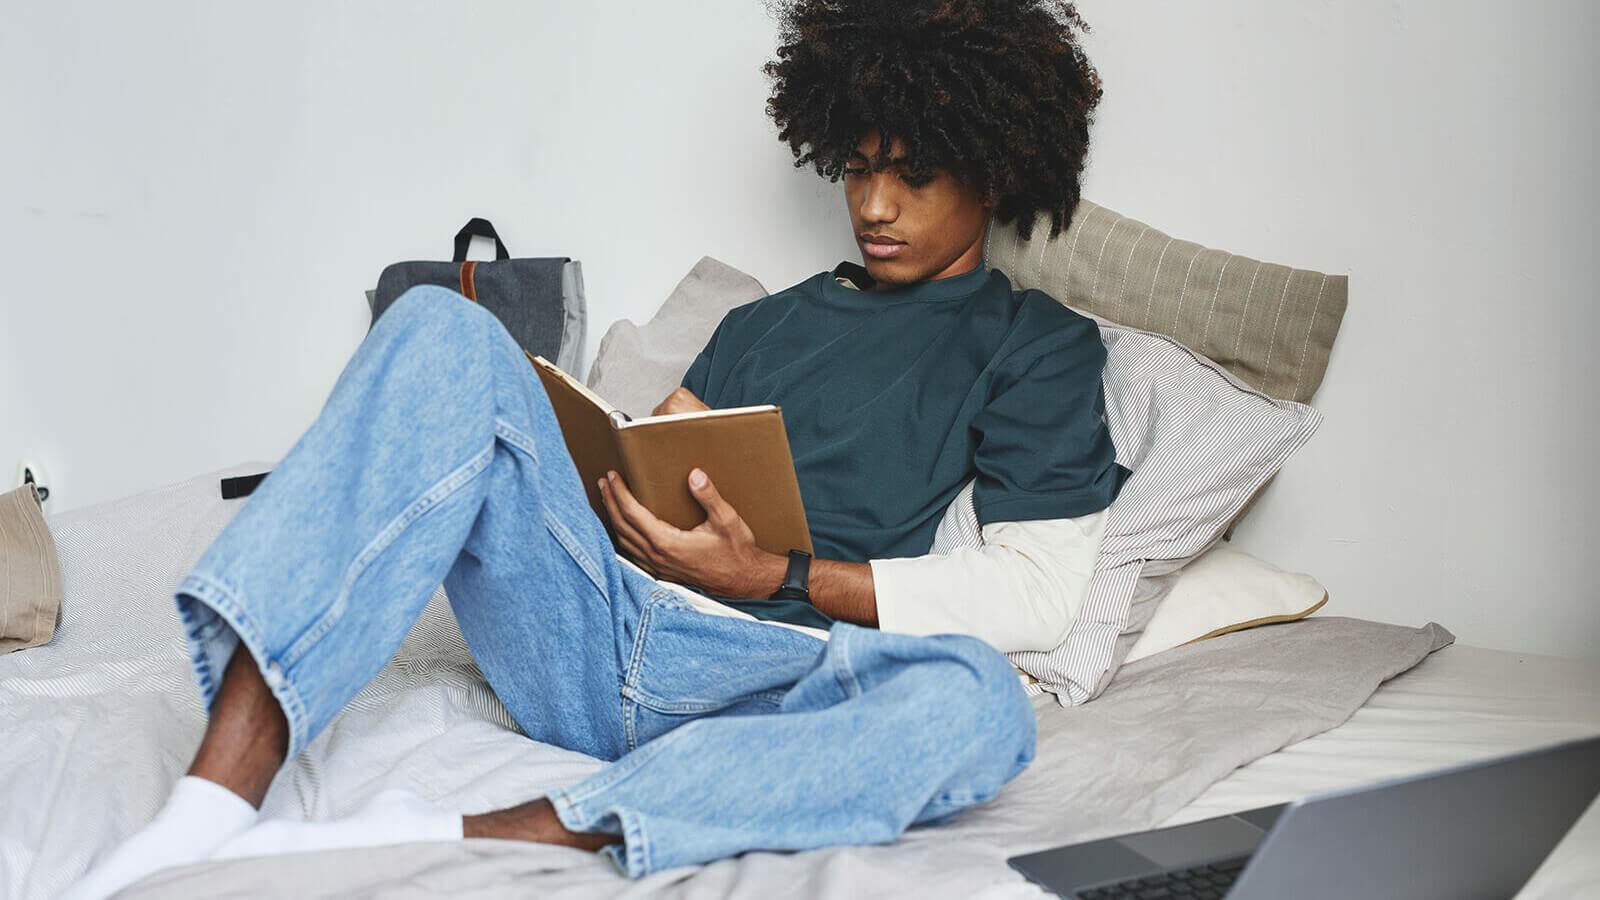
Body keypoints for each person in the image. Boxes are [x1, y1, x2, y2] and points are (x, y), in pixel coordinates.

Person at [65, 0, 1116, 896]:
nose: (873, 206)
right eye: (855, 169)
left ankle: (493, 833)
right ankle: (214, 797)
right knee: (443, 327)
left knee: (979, 704)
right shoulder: (765, 325)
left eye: (914, 175)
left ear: (992, 170)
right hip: (594, 626)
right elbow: (646, 456)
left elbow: (1038, 596)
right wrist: (598, 469)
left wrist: (775, 574)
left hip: (771, 683)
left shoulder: (1035, 346)